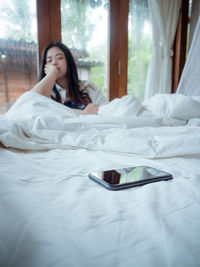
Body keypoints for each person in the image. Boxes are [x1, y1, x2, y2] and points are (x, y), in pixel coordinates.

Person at [32, 41, 107, 115]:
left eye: (59, 58)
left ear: (68, 61)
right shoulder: (45, 92)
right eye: (49, 60)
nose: (54, 62)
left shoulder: (87, 86)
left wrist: (98, 107)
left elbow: (109, 109)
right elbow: (31, 104)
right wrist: (52, 74)